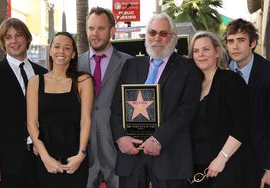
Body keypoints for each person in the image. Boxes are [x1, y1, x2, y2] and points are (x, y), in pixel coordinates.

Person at [110, 13, 202, 188]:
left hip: (170, 156)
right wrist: (120, 137)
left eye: (163, 33)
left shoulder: (188, 68)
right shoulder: (131, 66)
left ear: (173, 37)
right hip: (132, 156)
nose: (157, 38)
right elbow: (116, 106)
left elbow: (187, 110)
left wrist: (158, 139)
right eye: (152, 33)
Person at [26, 32, 93, 188]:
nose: (61, 52)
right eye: (56, 46)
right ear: (50, 51)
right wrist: (45, 158)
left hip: (75, 157)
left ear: (73, 54)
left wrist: (81, 155)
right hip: (46, 157)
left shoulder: (83, 81)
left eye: (67, 48)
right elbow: (31, 122)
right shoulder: (35, 82)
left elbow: (86, 120)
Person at [188, 31, 253, 188]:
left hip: (226, 167)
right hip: (197, 170)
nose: (201, 55)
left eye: (206, 49)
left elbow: (243, 124)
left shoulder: (231, 80)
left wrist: (222, 158)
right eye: (196, 51)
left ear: (217, 52)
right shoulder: (193, 85)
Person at [0, 18, 47, 188]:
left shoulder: (42, 73)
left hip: (40, 162)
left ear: (27, 38)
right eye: (8, 37)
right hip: (6, 165)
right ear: (3, 42)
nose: (13, 41)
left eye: (18, 35)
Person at [78, 7, 132, 188]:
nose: (95, 33)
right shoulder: (75, 64)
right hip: (84, 153)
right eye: (91, 28)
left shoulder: (129, 63)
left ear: (112, 31)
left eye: (101, 28)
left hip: (117, 151)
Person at [224, 18, 270, 188]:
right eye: (230, 41)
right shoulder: (222, 71)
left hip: (259, 161)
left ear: (253, 43)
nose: (235, 46)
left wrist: (269, 167)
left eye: (241, 40)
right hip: (230, 160)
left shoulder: (267, 74)